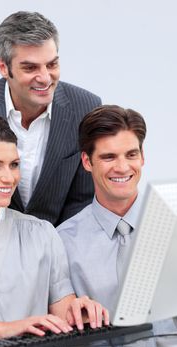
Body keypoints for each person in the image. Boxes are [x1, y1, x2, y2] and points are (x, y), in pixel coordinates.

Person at [0, 115, 109, 342]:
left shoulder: (42, 235)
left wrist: (78, 310)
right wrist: (5, 329)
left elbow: (62, 311)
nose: (9, 177)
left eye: (14, 165)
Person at [0, 11, 101, 226]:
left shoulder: (86, 107)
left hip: (58, 245)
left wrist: (52, 248)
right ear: (3, 67)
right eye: (30, 68)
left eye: (52, 64)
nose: (45, 78)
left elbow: (83, 199)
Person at [57, 105, 146, 319]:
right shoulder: (62, 242)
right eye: (109, 157)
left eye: (131, 154)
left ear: (142, 157)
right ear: (87, 162)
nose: (123, 167)